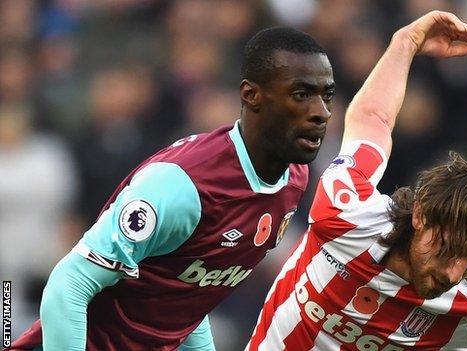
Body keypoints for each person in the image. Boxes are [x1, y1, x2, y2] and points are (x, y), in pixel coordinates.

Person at [8, 26, 335, 351]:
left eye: (327, 96)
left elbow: (187, 296)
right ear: (251, 96)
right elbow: (69, 284)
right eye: (302, 94)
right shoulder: (182, 185)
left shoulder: (294, 179)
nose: (321, 113)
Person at [247, 11, 467, 350]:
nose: (454, 274)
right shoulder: (346, 215)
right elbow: (374, 119)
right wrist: (406, 43)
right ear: (421, 214)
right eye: (451, 249)